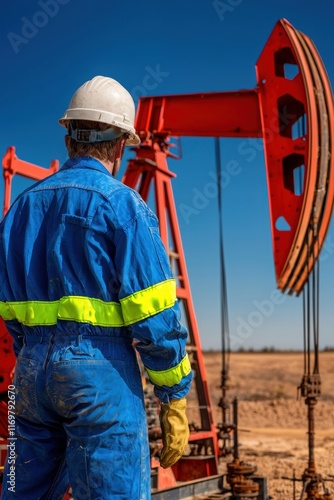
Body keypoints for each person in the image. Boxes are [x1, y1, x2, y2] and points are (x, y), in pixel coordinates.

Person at [0, 76, 193, 499]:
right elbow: (155, 316)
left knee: (21, 489)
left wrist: (35, 349)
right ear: (121, 144)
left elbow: (7, 307)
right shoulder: (122, 206)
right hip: (99, 377)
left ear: (69, 137)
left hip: (29, 376)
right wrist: (174, 394)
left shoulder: (20, 209)